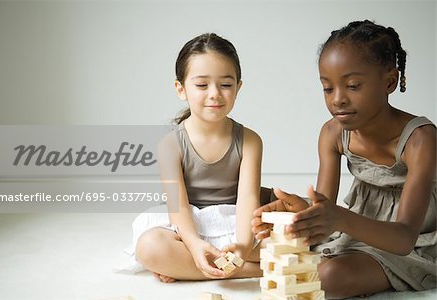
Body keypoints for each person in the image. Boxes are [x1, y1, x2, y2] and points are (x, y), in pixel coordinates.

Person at [252, 20, 436, 299]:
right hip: (353, 233)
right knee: (270, 250)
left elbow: (404, 238)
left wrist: (337, 217)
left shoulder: (420, 140)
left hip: (414, 244)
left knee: (327, 277)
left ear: (389, 81)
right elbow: (323, 207)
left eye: (352, 85)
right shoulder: (332, 133)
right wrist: (301, 213)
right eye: (327, 88)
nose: (337, 99)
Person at [134, 33, 263, 283]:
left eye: (225, 84)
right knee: (150, 246)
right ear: (181, 89)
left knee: (295, 235)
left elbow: (248, 198)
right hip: (188, 225)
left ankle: (188, 269)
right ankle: (253, 270)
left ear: (238, 87)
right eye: (202, 85)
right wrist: (193, 244)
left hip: (236, 221)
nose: (214, 94)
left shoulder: (250, 140)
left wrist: (244, 246)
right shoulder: (170, 144)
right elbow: (178, 206)